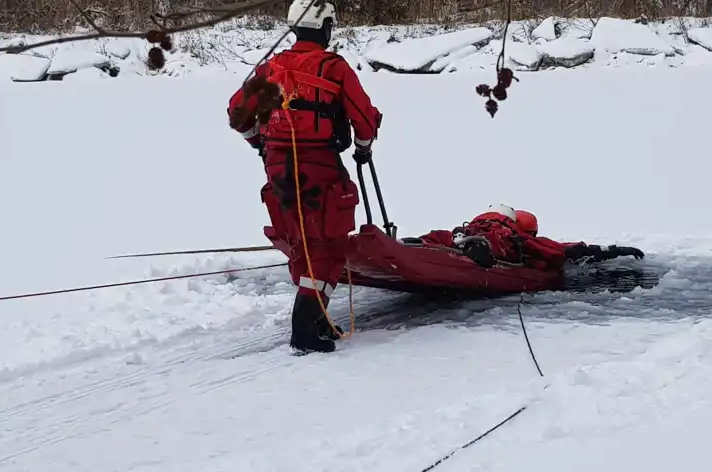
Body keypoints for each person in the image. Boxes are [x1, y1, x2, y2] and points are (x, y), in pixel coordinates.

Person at [227, 0, 382, 354]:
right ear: (325, 27)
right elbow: (364, 117)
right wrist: (363, 147)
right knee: (328, 246)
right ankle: (305, 326)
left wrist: (259, 145)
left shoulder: (271, 68)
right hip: (319, 166)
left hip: (278, 168)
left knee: (299, 240)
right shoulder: (334, 68)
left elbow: (237, 114)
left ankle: (318, 320)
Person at [408, 204, 644, 270]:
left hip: (467, 235)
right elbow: (560, 251)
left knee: (445, 236)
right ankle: (476, 248)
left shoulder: (479, 223)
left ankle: (419, 245)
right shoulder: (518, 236)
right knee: (499, 246)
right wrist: (609, 250)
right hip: (492, 247)